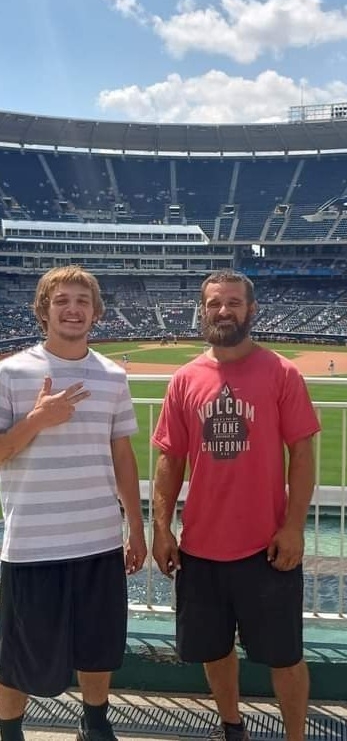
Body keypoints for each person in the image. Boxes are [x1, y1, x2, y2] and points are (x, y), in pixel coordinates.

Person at [152, 270, 320, 741]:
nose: (223, 311)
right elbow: (170, 458)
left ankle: (295, 736)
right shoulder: (185, 379)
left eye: (233, 303)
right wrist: (161, 527)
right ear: (202, 310)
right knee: (213, 648)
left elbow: (302, 455)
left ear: (251, 310)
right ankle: (231, 727)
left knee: (285, 655)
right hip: (201, 546)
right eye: (213, 303)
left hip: (265, 545)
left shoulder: (282, 373)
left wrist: (294, 527)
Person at [0, 266, 147, 741]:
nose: (73, 308)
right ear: (44, 310)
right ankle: (10, 730)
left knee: (99, 646)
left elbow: (122, 454)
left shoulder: (111, 376)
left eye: (82, 301)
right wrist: (38, 420)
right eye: (62, 300)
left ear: (96, 312)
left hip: (99, 540)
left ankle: (96, 723)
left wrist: (137, 528)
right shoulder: (11, 373)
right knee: (18, 653)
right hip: (31, 545)